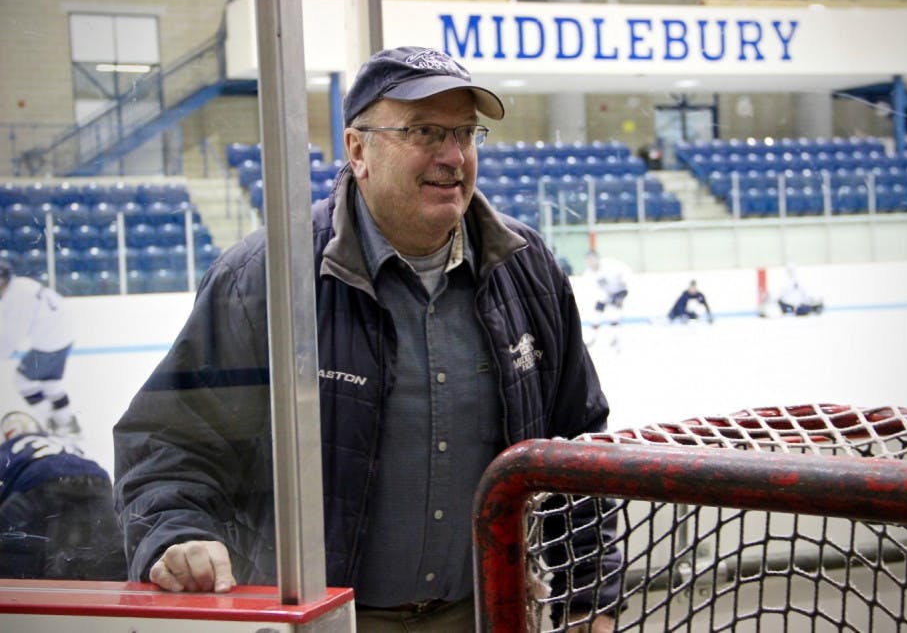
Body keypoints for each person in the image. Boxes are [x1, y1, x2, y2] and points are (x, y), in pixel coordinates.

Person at [113, 46, 619, 632]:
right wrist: (177, 534)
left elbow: (577, 448)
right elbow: (169, 443)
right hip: (323, 622)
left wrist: (589, 600)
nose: (453, 156)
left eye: (465, 132)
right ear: (358, 151)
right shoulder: (267, 278)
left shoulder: (526, 269)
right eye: (424, 131)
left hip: (486, 614)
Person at [0, 410, 125, 579]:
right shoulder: (61, 443)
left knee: (15, 555)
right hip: (96, 479)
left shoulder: (9, 448)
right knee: (108, 553)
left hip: (37, 482)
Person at [0, 260, 80, 436]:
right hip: (64, 335)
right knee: (51, 383)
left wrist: (3, 352)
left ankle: (51, 422)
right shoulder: (22, 284)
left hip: (49, 341)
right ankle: (66, 422)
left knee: (21, 380)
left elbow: (13, 334)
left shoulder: (14, 296)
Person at [581, 249, 630, 349]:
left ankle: (617, 339)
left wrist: (622, 293)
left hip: (619, 292)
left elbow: (623, 276)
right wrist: (604, 298)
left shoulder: (609, 265)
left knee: (614, 315)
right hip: (605, 295)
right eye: (588, 260)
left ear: (597, 258)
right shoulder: (588, 274)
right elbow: (593, 290)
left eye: (592, 259)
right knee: (596, 316)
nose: (590, 262)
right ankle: (592, 338)